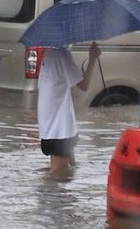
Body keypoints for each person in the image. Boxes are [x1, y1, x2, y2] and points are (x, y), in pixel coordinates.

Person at [37, 43, 101, 177]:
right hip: (59, 129)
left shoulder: (49, 51)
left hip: (50, 125)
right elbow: (84, 85)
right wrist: (93, 58)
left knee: (70, 168)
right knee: (58, 175)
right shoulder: (62, 54)